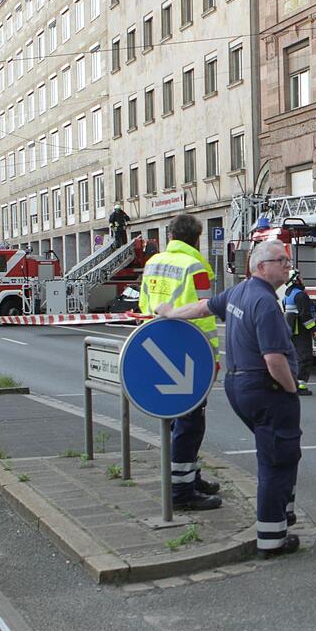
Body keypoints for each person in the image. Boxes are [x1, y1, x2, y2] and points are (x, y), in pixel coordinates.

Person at [155, 239, 303, 559]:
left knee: (280, 453)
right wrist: (291, 389)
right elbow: (274, 358)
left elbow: (202, 307)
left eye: (288, 261)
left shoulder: (239, 292)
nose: (288, 266)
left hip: (240, 386)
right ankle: (272, 537)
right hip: (267, 389)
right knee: (277, 459)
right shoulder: (265, 303)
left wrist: (169, 313)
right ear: (261, 266)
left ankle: (283, 513)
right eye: (282, 261)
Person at [139, 214, 222, 512]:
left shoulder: (153, 263)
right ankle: (182, 491)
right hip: (190, 350)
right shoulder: (196, 266)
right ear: (197, 238)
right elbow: (204, 310)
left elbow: (144, 304)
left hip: (158, 345)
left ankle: (190, 477)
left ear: (171, 235)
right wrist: (212, 354)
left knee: (178, 421)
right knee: (191, 422)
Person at [283, 269, 315, 396]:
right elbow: (305, 316)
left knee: (295, 357)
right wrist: (314, 329)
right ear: (295, 280)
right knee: (305, 357)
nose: (303, 280)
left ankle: (292, 383)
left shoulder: (287, 295)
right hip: (301, 330)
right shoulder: (300, 295)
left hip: (292, 330)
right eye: (300, 277)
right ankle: (300, 386)